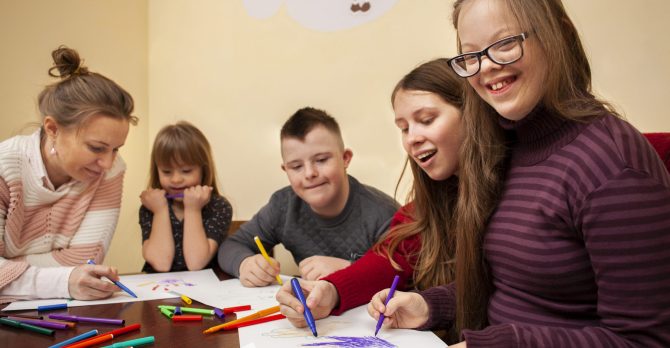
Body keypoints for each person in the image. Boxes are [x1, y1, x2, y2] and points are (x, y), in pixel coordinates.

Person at [368, 0, 670, 347]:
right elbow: (516, 289)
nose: (487, 67)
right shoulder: (507, 146)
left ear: (557, 35)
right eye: (472, 55)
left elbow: (645, 341)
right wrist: (430, 305)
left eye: (505, 43)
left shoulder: (611, 161)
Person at [276, 59, 487, 344]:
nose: (411, 138)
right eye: (403, 127)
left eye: (426, 120)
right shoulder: (426, 206)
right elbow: (391, 258)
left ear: (471, 114)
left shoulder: (514, 195)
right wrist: (331, 291)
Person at [0, 46, 137, 302]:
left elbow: (81, 260)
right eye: (96, 148)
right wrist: (63, 279)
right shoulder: (4, 167)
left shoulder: (111, 171)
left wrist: (10, 268)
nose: (108, 163)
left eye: (116, 149)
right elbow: (71, 272)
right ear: (52, 128)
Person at [218, 107, 399, 287]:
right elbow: (231, 246)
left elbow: (409, 275)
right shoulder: (283, 206)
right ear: (286, 170)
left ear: (345, 159)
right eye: (296, 166)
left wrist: (351, 270)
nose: (310, 173)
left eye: (321, 160)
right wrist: (244, 264)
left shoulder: (384, 213)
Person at [140, 121, 232, 273]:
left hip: (206, 289)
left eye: (186, 170)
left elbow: (196, 263)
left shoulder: (219, 206)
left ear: (203, 170)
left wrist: (193, 209)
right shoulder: (152, 205)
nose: (176, 179)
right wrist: (160, 210)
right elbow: (161, 264)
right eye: (167, 172)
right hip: (160, 290)